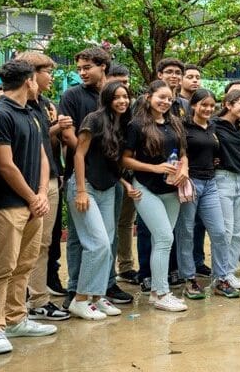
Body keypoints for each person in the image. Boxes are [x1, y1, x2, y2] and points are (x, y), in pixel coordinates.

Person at [0, 59, 56, 355]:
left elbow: (42, 156)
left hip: (33, 203)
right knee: (0, 267)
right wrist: (32, 197)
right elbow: (5, 165)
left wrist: (41, 193)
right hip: (6, 203)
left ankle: (16, 320)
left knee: (23, 265)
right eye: (37, 79)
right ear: (29, 80)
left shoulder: (31, 112)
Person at [59, 47, 132, 307]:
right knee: (83, 239)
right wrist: (84, 175)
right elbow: (72, 138)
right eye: (79, 68)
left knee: (106, 239)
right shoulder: (73, 96)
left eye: (87, 67)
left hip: (111, 180)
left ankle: (104, 288)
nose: (82, 73)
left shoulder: (117, 99)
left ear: (103, 66)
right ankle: (76, 289)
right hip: (83, 178)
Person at [121, 80, 190, 311]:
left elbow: (182, 153)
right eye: (161, 97)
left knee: (162, 239)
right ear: (149, 96)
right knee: (164, 238)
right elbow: (125, 159)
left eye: (169, 99)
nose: (165, 102)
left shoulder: (175, 123)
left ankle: (156, 292)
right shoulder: (137, 125)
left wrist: (184, 169)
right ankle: (161, 293)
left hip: (172, 188)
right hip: (146, 187)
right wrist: (156, 168)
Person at [14, 52, 68, 322]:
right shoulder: (10, 104)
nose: (52, 76)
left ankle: (37, 300)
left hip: (48, 181)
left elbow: (46, 146)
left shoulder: (45, 104)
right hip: (22, 183)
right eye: (47, 71)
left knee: (41, 244)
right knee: (15, 247)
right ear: (31, 75)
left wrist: (57, 127)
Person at [174, 89, 240, 299]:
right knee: (186, 231)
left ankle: (220, 279)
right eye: (203, 105)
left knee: (220, 232)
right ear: (193, 105)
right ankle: (189, 279)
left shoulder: (213, 127)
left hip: (210, 183)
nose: (208, 109)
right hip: (190, 183)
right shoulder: (183, 127)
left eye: (212, 106)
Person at [213, 90, 240, 286]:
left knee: (239, 231)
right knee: (225, 231)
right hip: (223, 179)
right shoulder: (214, 125)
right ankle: (220, 274)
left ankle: (229, 272)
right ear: (228, 105)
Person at [106, 63, 138, 284]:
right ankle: (106, 276)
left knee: (126, 221)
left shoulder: (132, 111)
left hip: (129, 175)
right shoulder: (100, 115)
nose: (122, 90)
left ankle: (125, 266)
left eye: (125, 84)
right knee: (108, 227)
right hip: (105, 177)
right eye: (117, 83)